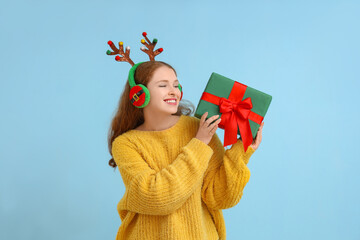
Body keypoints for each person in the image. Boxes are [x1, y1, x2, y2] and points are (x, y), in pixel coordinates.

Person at [108, 61, 264, 240]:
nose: (173, 91)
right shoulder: (125, 144)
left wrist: (241, 151)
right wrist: (199, 143)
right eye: (163, 85)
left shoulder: (200, 128)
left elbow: (221, 198)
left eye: (176, 85)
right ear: (139, 94)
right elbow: (157, 198)